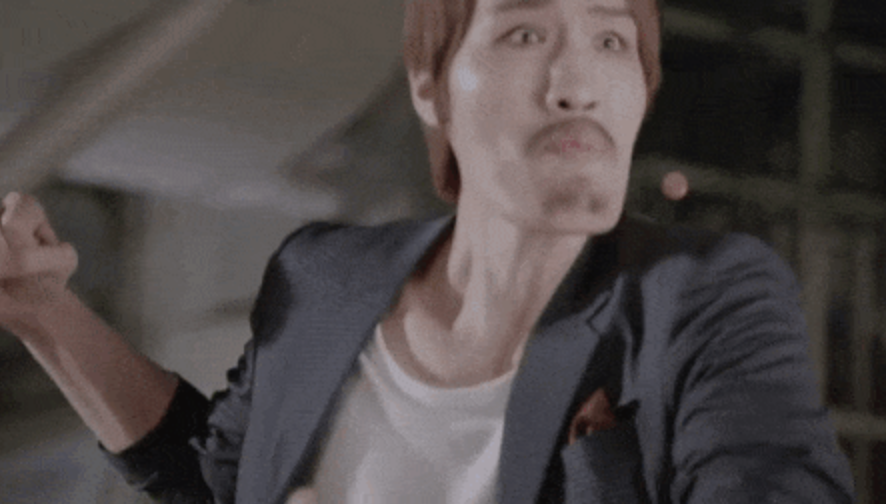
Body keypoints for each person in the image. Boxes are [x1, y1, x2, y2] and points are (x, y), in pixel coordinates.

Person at [0, 0, 856, 502]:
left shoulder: (702, 298)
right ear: (429, 84)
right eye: (525, 35)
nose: (579, 85)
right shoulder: (322, 276)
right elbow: (217, 478)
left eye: (612, 41)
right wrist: (44, 313)